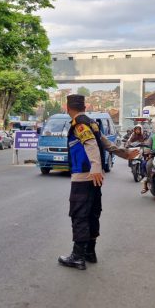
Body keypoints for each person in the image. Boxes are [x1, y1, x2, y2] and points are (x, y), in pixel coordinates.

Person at [58, 95, 139, 270]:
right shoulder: (92, 122)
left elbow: (90, 144)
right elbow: (105, 143)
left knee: (79, 214)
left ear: (67, 107)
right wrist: (124, 153)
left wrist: (95, 167)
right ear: (85, 106)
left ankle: (78, 256)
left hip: (84, 176)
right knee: (93, 213)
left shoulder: (79, 124)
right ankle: (90, 252)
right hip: (95, 177)